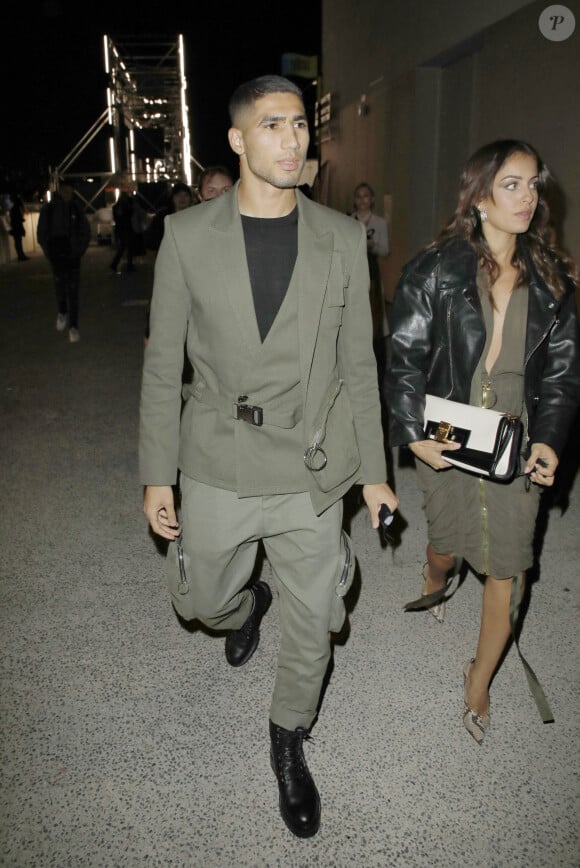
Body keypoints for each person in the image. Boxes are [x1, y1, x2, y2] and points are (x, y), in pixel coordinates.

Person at [139, 74, 398, 837]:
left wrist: (376, 475)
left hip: (312, 460)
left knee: (315, 619)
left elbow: (361, 365)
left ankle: (289, 741)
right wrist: (158, 473)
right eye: (274, 124)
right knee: (200, 602)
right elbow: (163, 366)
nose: (293, 140)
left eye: (299, 126)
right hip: (219, 452)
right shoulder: (186, 237)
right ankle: (248, 602)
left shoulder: (342, 237)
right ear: (237, 139)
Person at [385, 140, 580, 744]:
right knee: (447, 543)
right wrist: (413, 432)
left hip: (515, 436)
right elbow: (404, 359)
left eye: (533, 185)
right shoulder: (435, 269)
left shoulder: (551, 278)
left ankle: (478, 680)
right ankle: (433, 574)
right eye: (513, 185)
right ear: (480, 199)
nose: (528, 197)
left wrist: (548, 442)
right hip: (448, 427)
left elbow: (563, 372)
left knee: (509, 567)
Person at [37, 182, 91, 342]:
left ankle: (73, 326)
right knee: (60, 285)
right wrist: (48, 251)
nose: (68, 194)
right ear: (59, 191)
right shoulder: (49, 209)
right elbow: (42, 232)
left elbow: (85, 230)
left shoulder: (76, 209)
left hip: (73, 254)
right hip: (56, 253)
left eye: (70, 191)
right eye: (65, 191)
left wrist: (79, 250)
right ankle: (62, 311)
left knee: (73, 290)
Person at [350, 182, 390, 380]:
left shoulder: (379, 222)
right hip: (354, 271)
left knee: (375, 314)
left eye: (366, 196)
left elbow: (385, 250)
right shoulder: (349, 220)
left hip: (372, 271)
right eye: (359, 196)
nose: (362, 200)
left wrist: (372, 246)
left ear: (372, 199)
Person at [144, 182, 194, 254]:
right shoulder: (163, 217)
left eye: (186, 195)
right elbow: (153, 239)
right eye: (178, 195)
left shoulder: (195, 215)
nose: (182, 198)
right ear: (172, 197)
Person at [9, 195, 29, 261]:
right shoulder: (16, 209)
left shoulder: (13, 209)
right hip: (17, 227)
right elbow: (17, 218)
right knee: (18, 241)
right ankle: (21, 255)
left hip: (15, 227)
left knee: (17, 241)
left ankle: (20, 255)